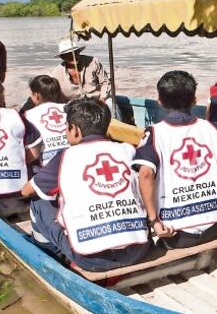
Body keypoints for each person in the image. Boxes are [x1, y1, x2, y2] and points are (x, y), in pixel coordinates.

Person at [21, 98, 152, 272]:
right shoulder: (128, 150)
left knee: (38, 200)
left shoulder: (65, 156)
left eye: (66, 127)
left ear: (74, 130)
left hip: (92, 260)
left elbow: (26, 190)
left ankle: (49, 252)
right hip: (138, 250)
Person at [134, 70, 217, 249]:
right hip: (216, 227)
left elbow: (145, 175)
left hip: (177, 235)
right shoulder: (212, 128)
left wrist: (154, 222)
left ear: (159, 102)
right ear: (194, 101)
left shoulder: (154, 133)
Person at [48, 38, 114, 114]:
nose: (74, 56)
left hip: (97, 99)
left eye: (75, 52)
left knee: (111, 104)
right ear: (63, 57)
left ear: (79, 52)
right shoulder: (56, 74)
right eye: (69, 54)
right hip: (73, 105)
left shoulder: (93, 62)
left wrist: (102, 98)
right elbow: (52, 94)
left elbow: (105, 81)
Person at [22, 75, 69, 167]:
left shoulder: (28, 115)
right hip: (70, 157)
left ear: (36, 96)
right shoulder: (68, 108)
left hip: (46, 165)